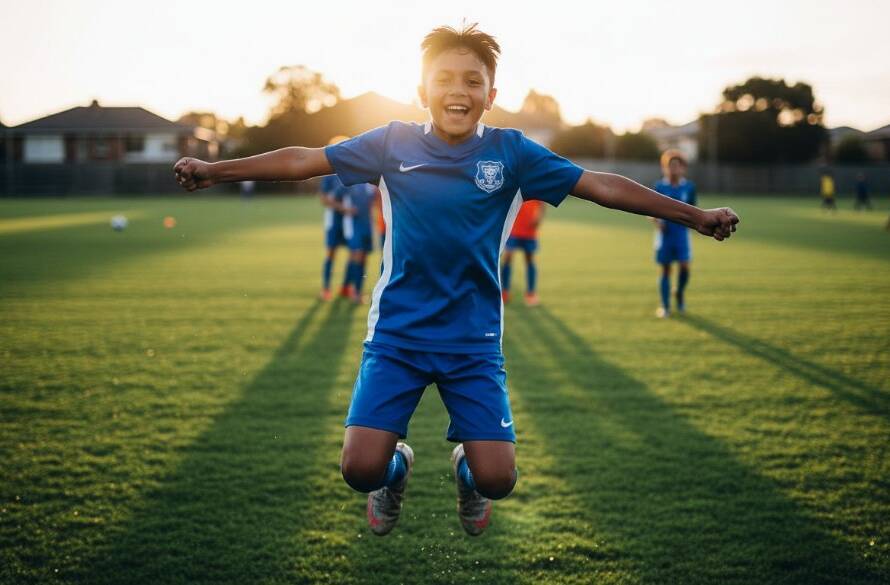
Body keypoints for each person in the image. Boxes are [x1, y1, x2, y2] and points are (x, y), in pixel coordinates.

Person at [174, 23, 739, 538]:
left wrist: (694, 216)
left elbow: (601, 185)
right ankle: (397, 470)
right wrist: (216, 170)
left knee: (498, 479)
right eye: (444, 79)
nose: (458, 91)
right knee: (360, 469)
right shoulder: (391, 143)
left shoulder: (512, 153)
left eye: (474, 81)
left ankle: (468, 472)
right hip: (397, 336)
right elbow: (305, 160)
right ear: (422, 89)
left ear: (491, 96)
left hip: (472, 342)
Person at [652, 150, 696, 318]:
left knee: (685, 267)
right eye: (670, 166)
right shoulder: (659, 187)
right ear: (665, 168)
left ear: (683, 168)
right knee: (665, 270)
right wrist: (657, 223)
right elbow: (650, 210)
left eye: (677, 166)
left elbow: (694, 210)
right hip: (665, 236)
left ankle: (679, 292)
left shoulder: (689, 187)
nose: (673, 170)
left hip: (682, 235)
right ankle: (665, 306)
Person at [319, 138, 353, 300]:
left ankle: (346, 287)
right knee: (331, 253)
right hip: (334, 220)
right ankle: (326, 288)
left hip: (351, 221)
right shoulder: (329, 173)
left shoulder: (354, 170)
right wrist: (342, 208)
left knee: (353, 253)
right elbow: (324, 199)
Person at [501, 199, 544, 306]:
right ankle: (504, 291)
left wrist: (539, 217)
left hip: (530, 230)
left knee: (529, 260)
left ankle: (530, 293)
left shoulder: (536, 185)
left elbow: (543, 203)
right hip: (514, 229)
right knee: (507, 258)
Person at [341, 182, 377, 303]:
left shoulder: (372, 184)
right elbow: (329, 198)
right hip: (354, 225)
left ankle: (347, 288)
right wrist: (345, 209)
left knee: (362, 258)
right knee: (357, 256)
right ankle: (356, 293)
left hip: (368, 226)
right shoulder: (350, 182)